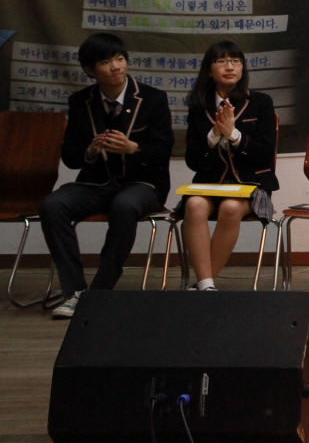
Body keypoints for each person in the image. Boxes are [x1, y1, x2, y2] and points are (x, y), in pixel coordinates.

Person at [40, 33, 173, 319]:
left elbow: (163, 151)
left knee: (124, 205)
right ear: (89, 70)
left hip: (143, 184)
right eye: (106, 62)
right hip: (95, 183)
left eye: (120, 59)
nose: (116, 66)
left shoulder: (152, 98)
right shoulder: (81, 101)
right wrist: (89, 151)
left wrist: (133, 148)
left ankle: (99, 291)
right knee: (52, 204)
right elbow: (70, 156)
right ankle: (74, 291)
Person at [179, 40, 277, 291]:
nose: (230, 67)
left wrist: (234, 135)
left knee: (231, 208)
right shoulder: (199, 107)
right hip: (211, 183)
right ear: (209, 70)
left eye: (235, 61)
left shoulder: (261, 102)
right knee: (194, 205)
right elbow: (192, 160)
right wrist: (213, 136)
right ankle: (207, 285)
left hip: (251, 183)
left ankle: (203, 284)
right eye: (222, 61)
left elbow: (264, 155)